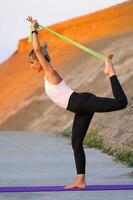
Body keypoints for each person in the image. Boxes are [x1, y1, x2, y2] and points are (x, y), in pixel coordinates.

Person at [26, 16, 128, 189]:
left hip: (82, 102)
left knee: (121, 102)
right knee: (76, 144)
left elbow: (37, 50)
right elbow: (40, 49)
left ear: (39, 61)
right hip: (80, 108)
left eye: (31, 63)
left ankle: (110, 71)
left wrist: (33, 29)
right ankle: (81, 181)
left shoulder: (50, 71)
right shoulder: (49, 72)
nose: (31, 66)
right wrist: (36, 33)